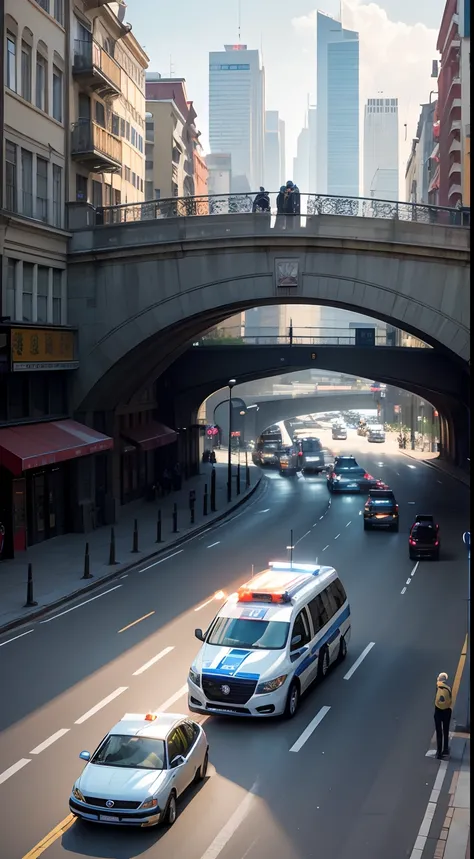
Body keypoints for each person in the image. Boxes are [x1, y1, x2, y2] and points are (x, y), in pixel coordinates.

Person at [434, 672, 452, 759]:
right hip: (446, 711)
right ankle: (445, 749)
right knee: (446, 730)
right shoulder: (448, 688)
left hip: (438, 711)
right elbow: (450, 700)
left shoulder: (437, 686)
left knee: (439, 732)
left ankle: (438, 752)